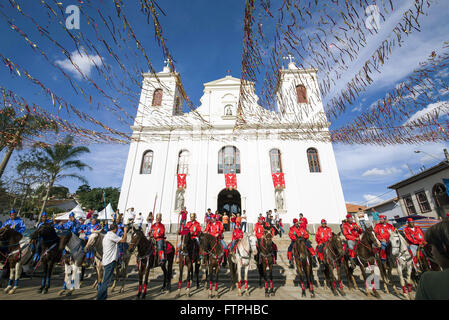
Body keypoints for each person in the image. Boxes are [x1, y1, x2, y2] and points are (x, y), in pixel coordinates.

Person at [415, 219, 449, 299]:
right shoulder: (406, 229)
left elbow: (421, 235)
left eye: (432, 247)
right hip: (415, 243)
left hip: (421, 242)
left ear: (443, 247)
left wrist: (422, 241)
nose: (431, 252)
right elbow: (410, 237)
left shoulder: (427, 280)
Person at [97, 224, 128, 300]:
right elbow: (124, 240)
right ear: (115, 229)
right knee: (106, 282)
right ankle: (100, 298)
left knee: (105, 281)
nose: (117, 230)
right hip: (110, 261)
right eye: (117, 229)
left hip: (107, 260)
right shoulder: (112, 235)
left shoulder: (107, 235)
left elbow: (117, 243)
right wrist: (125, 231)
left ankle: (103, 297)